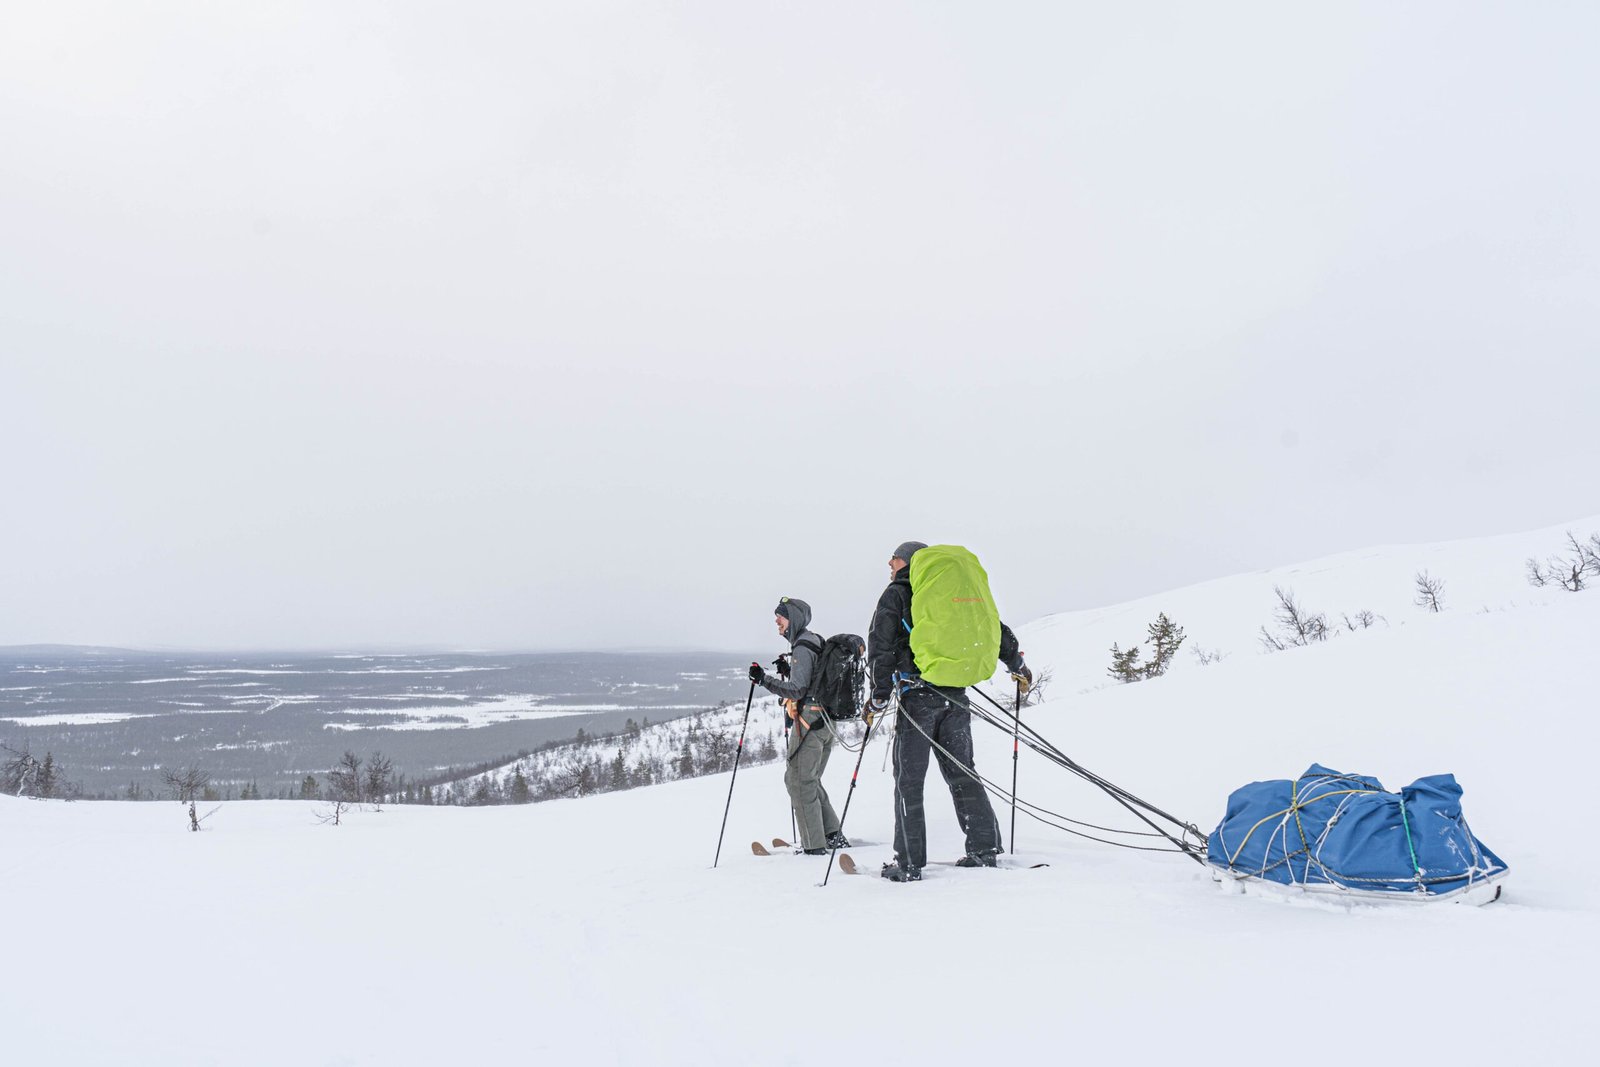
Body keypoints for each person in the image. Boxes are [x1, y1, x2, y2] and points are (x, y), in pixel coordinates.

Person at [865, 542, 1031, 882]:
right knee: (962, 772)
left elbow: (880, 645)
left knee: (909, 781)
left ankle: (908, 862)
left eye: (893, 558)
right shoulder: (950, 593)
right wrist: (1018, 664)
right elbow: (992, 627)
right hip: (955, 697)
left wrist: (879, 695)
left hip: (917, 698)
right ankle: (984, 848)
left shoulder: (898, 593)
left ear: (907, 561)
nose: (889, 564)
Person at [748, 597, 848, 855]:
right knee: (809, 780)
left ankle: (814, 846)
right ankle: (832, 834)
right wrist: (788, 669)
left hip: (810, 723)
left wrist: (764, 681)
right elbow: (811, 679)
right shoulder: (814, 641)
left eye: (780, 616)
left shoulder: (803, 646)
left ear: (793, 618)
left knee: (798, 781)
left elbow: (798, 688)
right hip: (825, 721)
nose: (776, 621)